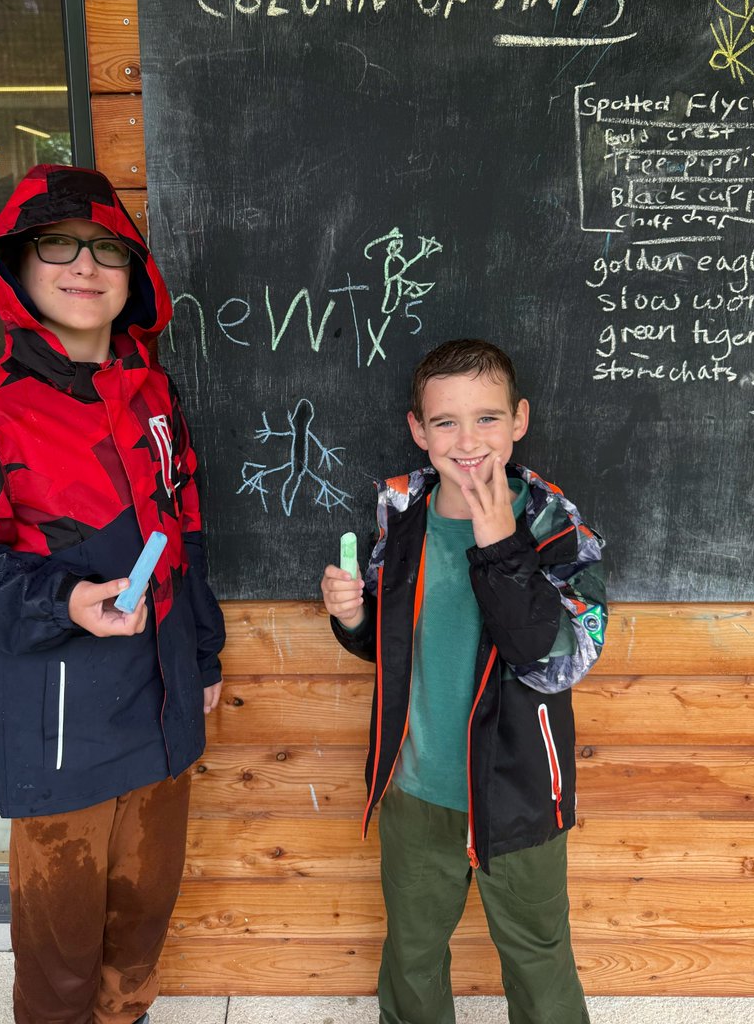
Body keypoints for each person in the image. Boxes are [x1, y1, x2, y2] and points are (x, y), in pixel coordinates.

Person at [0, 164, 225, 1024]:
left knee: (140, 927)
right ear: (18, 265)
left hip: (163, 709)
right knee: (60, 954)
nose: (84, 265)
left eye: (107, 248)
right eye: (58, 245)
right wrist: (62, 601)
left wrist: (202, 655)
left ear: (133, 273)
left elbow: (182, 530)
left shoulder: (155, 395)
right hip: (60, 732)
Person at [320, 338, 607, 1024]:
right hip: (418, 790)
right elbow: (398, 645)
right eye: (445, 421)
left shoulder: (555, 529)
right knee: (413, 954)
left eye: (487, 418)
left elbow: (555, 660)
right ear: (419, 430)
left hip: (520, 793)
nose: (468, 440)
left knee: (538, 957)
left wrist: (501, 547)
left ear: (519, 420)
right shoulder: (403, 518)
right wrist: (353, 618)